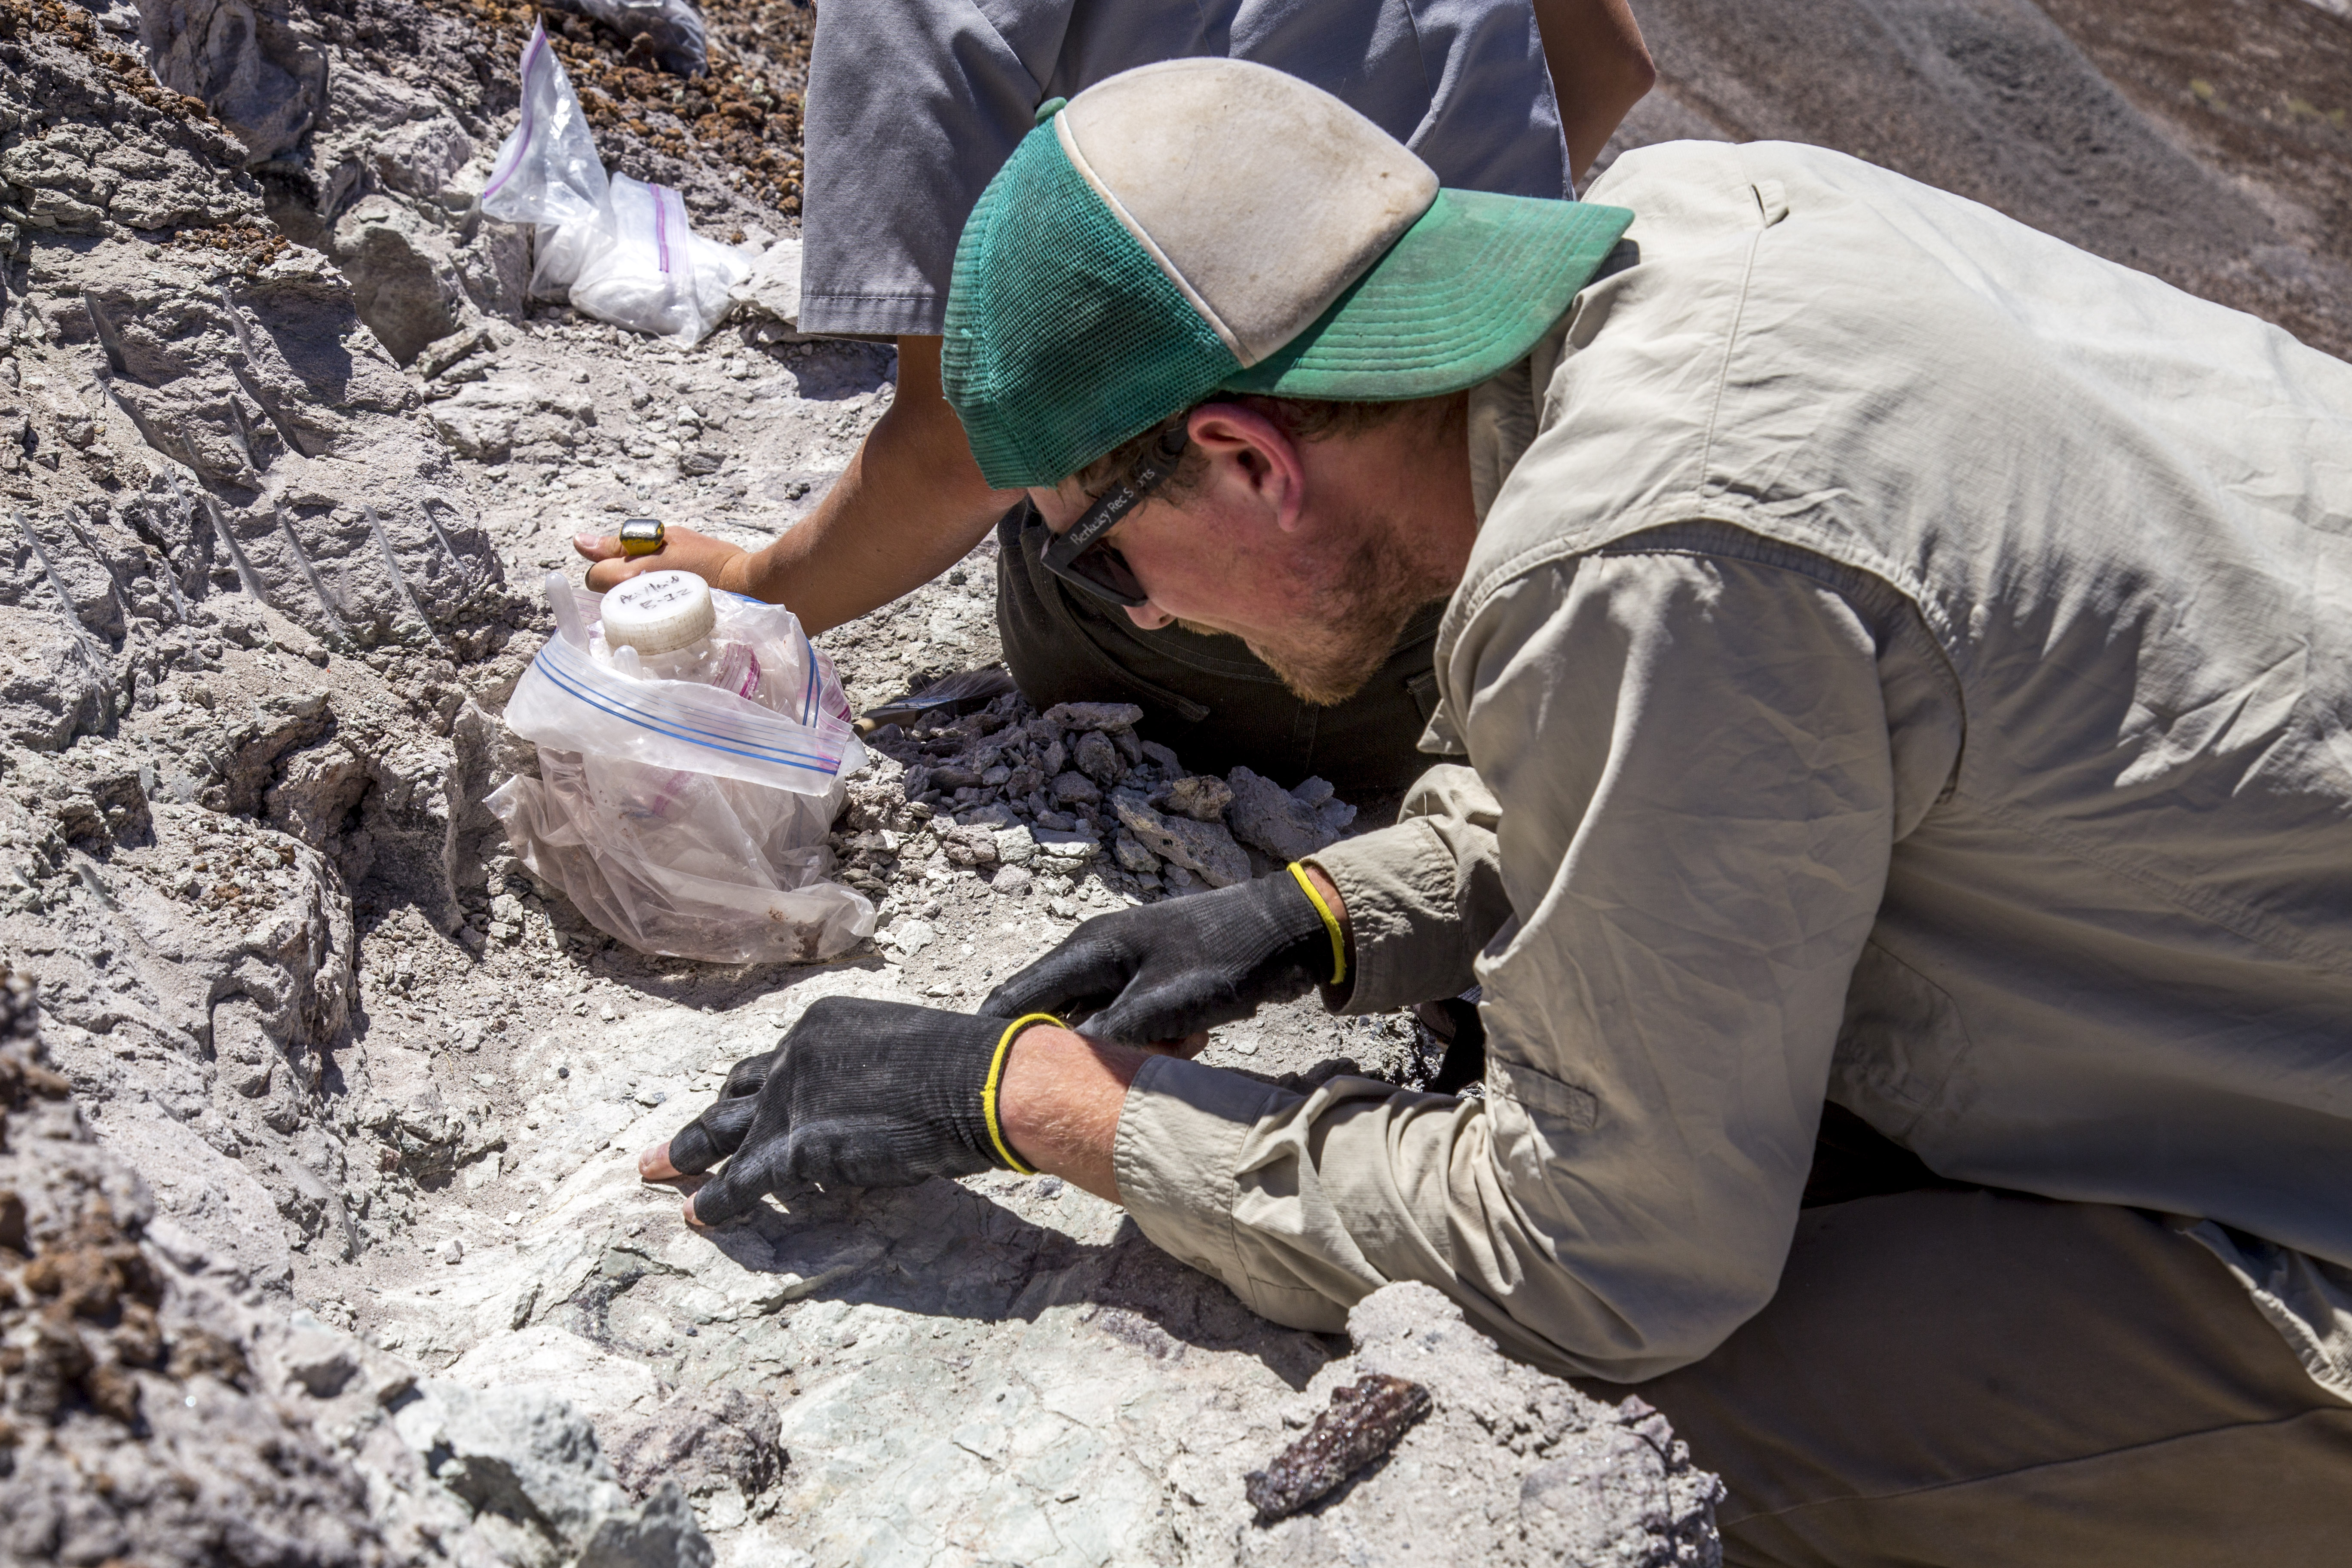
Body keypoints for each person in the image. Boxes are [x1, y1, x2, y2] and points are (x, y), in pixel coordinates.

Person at [638, 60, 2352, 1562]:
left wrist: (1042, 1103)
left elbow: (1607, 1262)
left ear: (1241, 457)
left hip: (2313, 1224)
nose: (1141, 619)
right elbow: (1725, 742)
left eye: (1101, 554)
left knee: (1562, 1451)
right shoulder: (1690, 227)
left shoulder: (1646, 558)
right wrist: (1332, 914)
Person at [573, 0, 1655, 791]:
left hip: (1300, 647)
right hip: (1500, 541)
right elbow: (1613, 63)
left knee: (1085, 499)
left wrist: (759, 585)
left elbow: (970, 439)